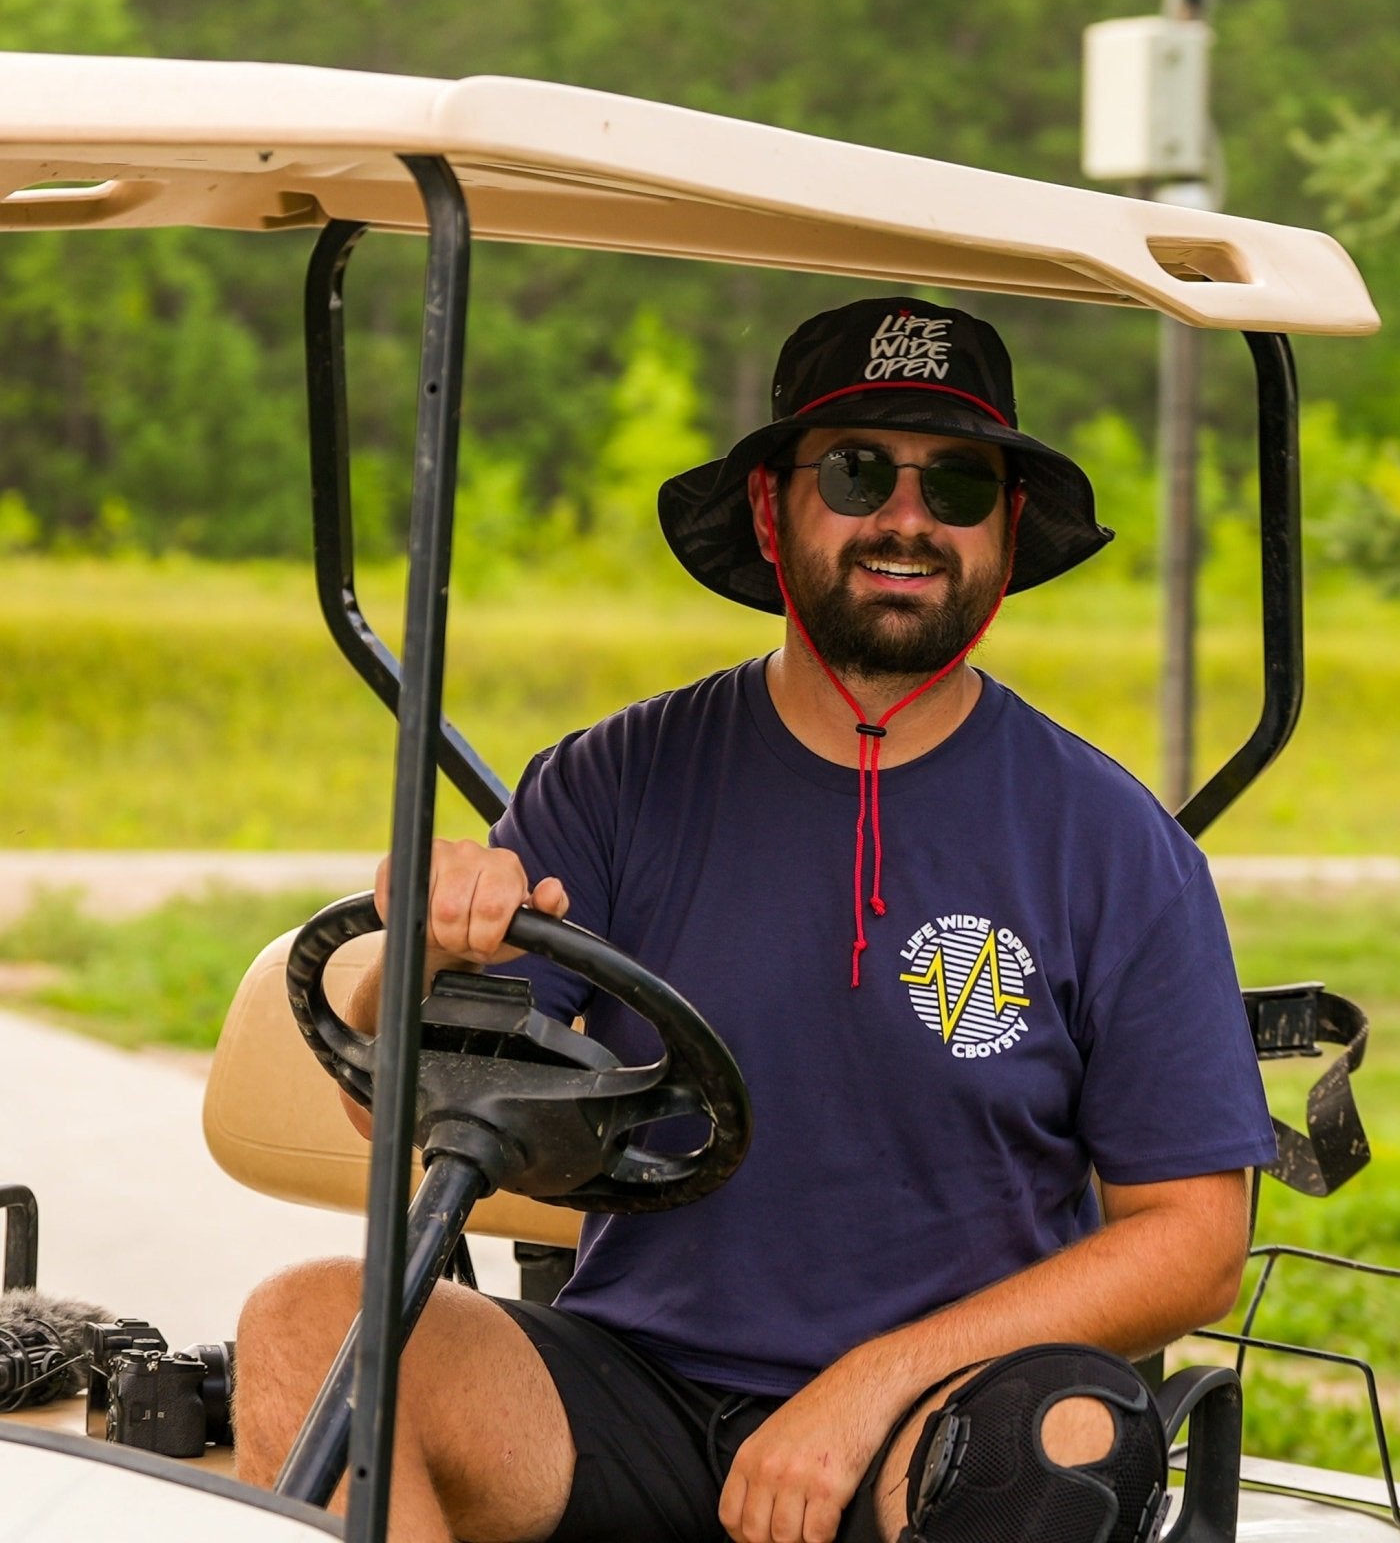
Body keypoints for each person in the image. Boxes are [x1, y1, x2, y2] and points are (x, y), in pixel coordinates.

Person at [234, 296, 1278, 1543]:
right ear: (772, 508)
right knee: (305, 1325)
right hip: (634, 1380)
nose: (906, 518)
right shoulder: (614, 782)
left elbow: (1195, 1242)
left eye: (955, 483)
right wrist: (423, 954)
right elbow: (381, 1105)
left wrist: (871, 1381)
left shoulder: (1110, 841)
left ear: (1004, 530)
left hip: (937, 1410)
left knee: (1064, 1444)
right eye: (855, 471)